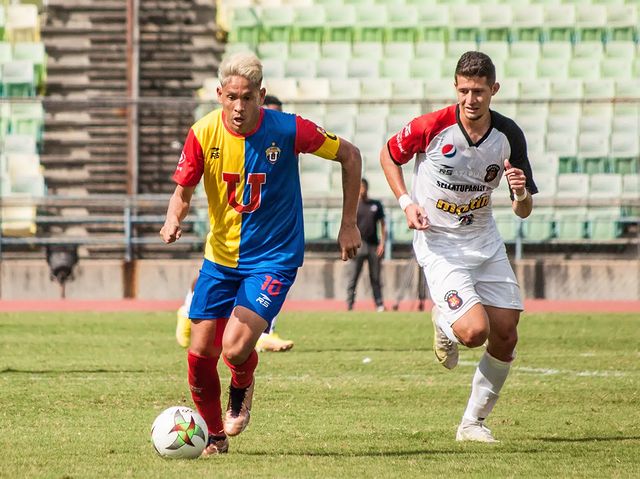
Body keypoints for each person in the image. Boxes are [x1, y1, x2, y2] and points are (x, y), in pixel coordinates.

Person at [160, 52, 362, 456]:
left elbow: (350, 155)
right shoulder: (201, 133)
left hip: (273, 257)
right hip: (219, 258)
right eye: (231, 97)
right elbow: (183, 189)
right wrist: (173, 218)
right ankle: (214, 436)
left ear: (261, 96)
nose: (238, 106)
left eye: (247, 97)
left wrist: (348, 222)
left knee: (234, 348)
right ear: (219, 94)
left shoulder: (289, 130)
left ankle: (242, 383)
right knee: (199, 354)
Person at [380, 51, 537, 443]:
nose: (471, 99)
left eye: (479, 91)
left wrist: (519, 193)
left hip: (484, 240)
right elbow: (388, 154)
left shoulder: (509, 136)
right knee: (473, 332)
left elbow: (523, 211)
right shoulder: (432, 126)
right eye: (465, 90)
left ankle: (472, 423)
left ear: (493, 90)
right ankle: (443, 319)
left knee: (507, 333)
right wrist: (406, 202)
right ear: (455, 87)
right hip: (440, 243)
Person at [175, 94, 296, 353]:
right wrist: (173, 218)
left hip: (268, 240)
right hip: (228, 231)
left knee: (261, 287)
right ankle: (187, 307)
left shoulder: (283, 138)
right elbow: (185, 190)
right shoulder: (217, 135)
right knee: (207, 276)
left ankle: (264, 333)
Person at [345, 178, 387, 312]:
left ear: (367, 188)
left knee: (375, 277)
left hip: (373, 246)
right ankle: (350, 304)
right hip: (358, 245)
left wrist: (382, 243)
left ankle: (379, 304)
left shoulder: (375, 205)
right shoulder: (353, 206)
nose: (362, 190)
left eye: (363, 187)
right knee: (353, 277)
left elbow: (383, 224)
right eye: (360, 187)